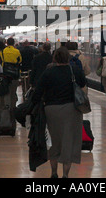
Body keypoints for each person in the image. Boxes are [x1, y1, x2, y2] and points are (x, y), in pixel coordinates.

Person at [31, 47, 86, 178]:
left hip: (52, 110)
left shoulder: (48, 72)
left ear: (54, 58)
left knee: (55, 141)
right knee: (69, 141)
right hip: (72, 110)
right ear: (68, 58)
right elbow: (83, 83)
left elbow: (37, 92)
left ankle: (54, 172)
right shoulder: (75, 70)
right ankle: (65, 174)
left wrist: (33, 104)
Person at [0, 37, 22, 107]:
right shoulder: (17, 51)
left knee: (6, 91)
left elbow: (1, 61)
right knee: (13, 91)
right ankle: (13, 107)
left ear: (7, 43)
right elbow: (20, 61)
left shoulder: (2, 51)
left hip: (5, 74)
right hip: (15, 74)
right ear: (13, 43)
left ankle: (7, 105)